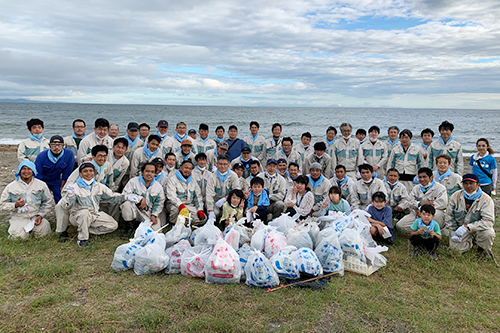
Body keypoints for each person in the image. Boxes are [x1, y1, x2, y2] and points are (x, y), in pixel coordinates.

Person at [64, 162, 135, 247]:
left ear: (94, 173)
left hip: (94, 214)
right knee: (84, 213)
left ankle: (85, 229)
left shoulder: (99, 186)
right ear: (80, 174)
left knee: (113, 225)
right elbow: (69, 206)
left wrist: (127, 197)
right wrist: (70, 195)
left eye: (91, 171)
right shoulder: (74, 187)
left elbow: (112, 197)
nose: (88, 173)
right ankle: (83, 239)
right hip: (78, 215)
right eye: (85, 171)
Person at [0, 161, 54, 239]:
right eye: (24, 169)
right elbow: (2, 204)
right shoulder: (11, 187)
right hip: (19, 217)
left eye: (29, 169)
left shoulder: (41, 185)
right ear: (19, 171)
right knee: (18, 237)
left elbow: (48, 202)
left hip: (35, 216)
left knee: (43, 233)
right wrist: (15, 205)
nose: (26, 171)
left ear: (33, 171)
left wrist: (40, 215)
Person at [447, 173, 495, 257]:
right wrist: (453, 231)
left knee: (488, 233)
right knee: (455, 250)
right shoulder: (455, 196)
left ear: (478, 185)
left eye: (471, 183)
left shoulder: (486, 199)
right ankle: (470, 242)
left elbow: (488, 221)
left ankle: (483, 249)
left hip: (478, 228)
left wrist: (468, 227)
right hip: (460, 229)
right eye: (465, 183)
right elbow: (449, 216)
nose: (468, 186)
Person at [396, 167, 448, 235]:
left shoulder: (440, 188)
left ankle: (434, 231)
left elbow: (442, 203)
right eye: (420, 177)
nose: (422, 179)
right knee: (400, 225)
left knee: (437, 215)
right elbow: (410, 202)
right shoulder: (416, 188)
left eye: (424, 177)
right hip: (418, 214)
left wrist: (422, 208)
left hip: (434, 213)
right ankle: (421, 231)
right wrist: (420, 203)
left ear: (431, 177)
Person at [121, 162, 166, 238]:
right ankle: (129, 228)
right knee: (126, 204)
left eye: (152, 172)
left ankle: (138, 225)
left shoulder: (158, 187)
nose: (149, 174)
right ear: (142, 172)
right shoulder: (133, 182)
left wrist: (154, 215)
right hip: (135, 209)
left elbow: (159, 203)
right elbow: (125, 195)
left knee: (156, 231)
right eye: (147, 171)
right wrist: (140, 198)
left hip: (148, 212)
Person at [34, 135, 75, 203]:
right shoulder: (41, 156)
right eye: (53, 145)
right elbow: (38, 174)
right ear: (49, 145)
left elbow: (67, 173)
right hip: (43, 180)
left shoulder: (69, 154)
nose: (56, 147)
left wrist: (63, 186)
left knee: (60, 195)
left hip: (56, 180)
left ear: (63, 145)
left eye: (59, 145)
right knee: (39, 196)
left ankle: (60, 211)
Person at [166, 160, 204, 226]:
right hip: (175, 204)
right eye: (186, 168)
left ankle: (185, 222)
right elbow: (171, 195)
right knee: (175, 211)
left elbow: (198, 196)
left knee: (202, 219)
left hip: (189, 205)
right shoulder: (173, 179)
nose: (187, 170)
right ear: (181, 168)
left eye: (190, 169)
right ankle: (172, 223)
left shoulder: (193, 180)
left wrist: (200, 209)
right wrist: (180, 205)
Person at [206, 154, 241, 220]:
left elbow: (236, 191)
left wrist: (226, 198)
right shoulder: (212, 177)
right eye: (220, 164)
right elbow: (209, 194)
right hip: (215, 201)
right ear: (217, 164)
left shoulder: (233, 175)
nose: (222, 166)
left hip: (229, 200)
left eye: (225, 164)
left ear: (229, 164)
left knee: (230, 213)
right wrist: (211, 210)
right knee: (215, 213)